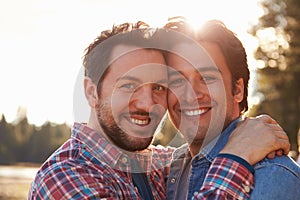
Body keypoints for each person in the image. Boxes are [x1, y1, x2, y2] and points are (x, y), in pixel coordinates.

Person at [28, 21, 290, 200]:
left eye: (158, 87)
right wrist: (236, 156)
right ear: (90, 93)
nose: (146, 104)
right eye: (128, 84)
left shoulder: (165, 166)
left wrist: (252, 136)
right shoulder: (65, 177)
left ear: (239, 89)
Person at [163, 17, 300, 199]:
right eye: (177, 81)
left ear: (238, 89)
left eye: (207, 78)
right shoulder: (173, 171)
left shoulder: (271, 175)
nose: (190, 95)